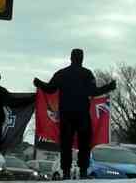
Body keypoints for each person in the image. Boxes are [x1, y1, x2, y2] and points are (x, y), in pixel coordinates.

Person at [33, 48, 116, 179]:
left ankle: (66, 172)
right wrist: (109, 87)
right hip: (82, 114)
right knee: (84, 144)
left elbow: (50, 89)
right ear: (82, 59)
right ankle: (83, 171)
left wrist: (39, 83)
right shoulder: (87, 74)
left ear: (71, 58)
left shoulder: (62, 73)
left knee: (66, 144)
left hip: (66, 114)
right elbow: (93, 92)